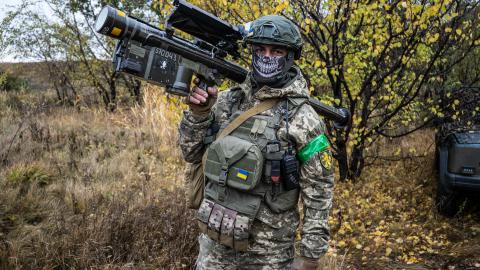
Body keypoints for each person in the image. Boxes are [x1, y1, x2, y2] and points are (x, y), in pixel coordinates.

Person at [179, 15, 334, 270]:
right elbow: (191, 153)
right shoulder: (227, 101)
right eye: (260, 49)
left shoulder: (305, 119)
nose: (266, 56)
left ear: (290, 56)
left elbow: (319, 191)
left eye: (276, 51)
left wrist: (311, 257)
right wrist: (198, 115)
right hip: (215, 247)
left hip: (267, 256)